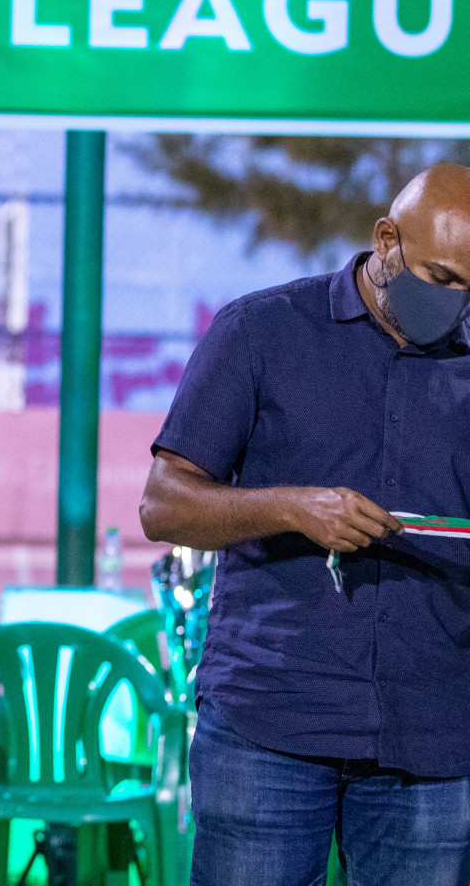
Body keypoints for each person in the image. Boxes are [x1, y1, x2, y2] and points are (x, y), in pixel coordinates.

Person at [140, 163, 470, 886]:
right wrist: (292, 508)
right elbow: (162, 506)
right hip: (271, 724)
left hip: (438, 732)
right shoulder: (261, 331)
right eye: (442, 278)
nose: (456, 305)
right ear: (387, 240)